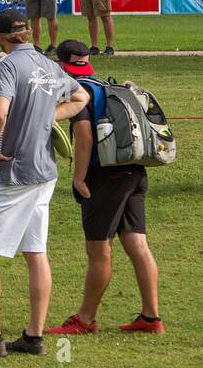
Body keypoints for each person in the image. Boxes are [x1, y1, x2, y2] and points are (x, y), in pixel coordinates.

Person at [0, 8, 89, 357]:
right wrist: (46, 117)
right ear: (27, 32)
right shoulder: (47, 63)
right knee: (35, 252)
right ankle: (33, 336)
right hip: (45, 172)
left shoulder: (7, 65)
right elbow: (81, 97)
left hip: (12, 170)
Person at [47, 41, 164, 336]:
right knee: (137, 245)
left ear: (62, 65)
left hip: (107, 176)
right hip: (134, 170)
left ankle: (85, 320)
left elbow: (84, 137)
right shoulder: (103, 85)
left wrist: (79, 178)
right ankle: (151, 317)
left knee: (98, 249)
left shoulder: (78, 90)